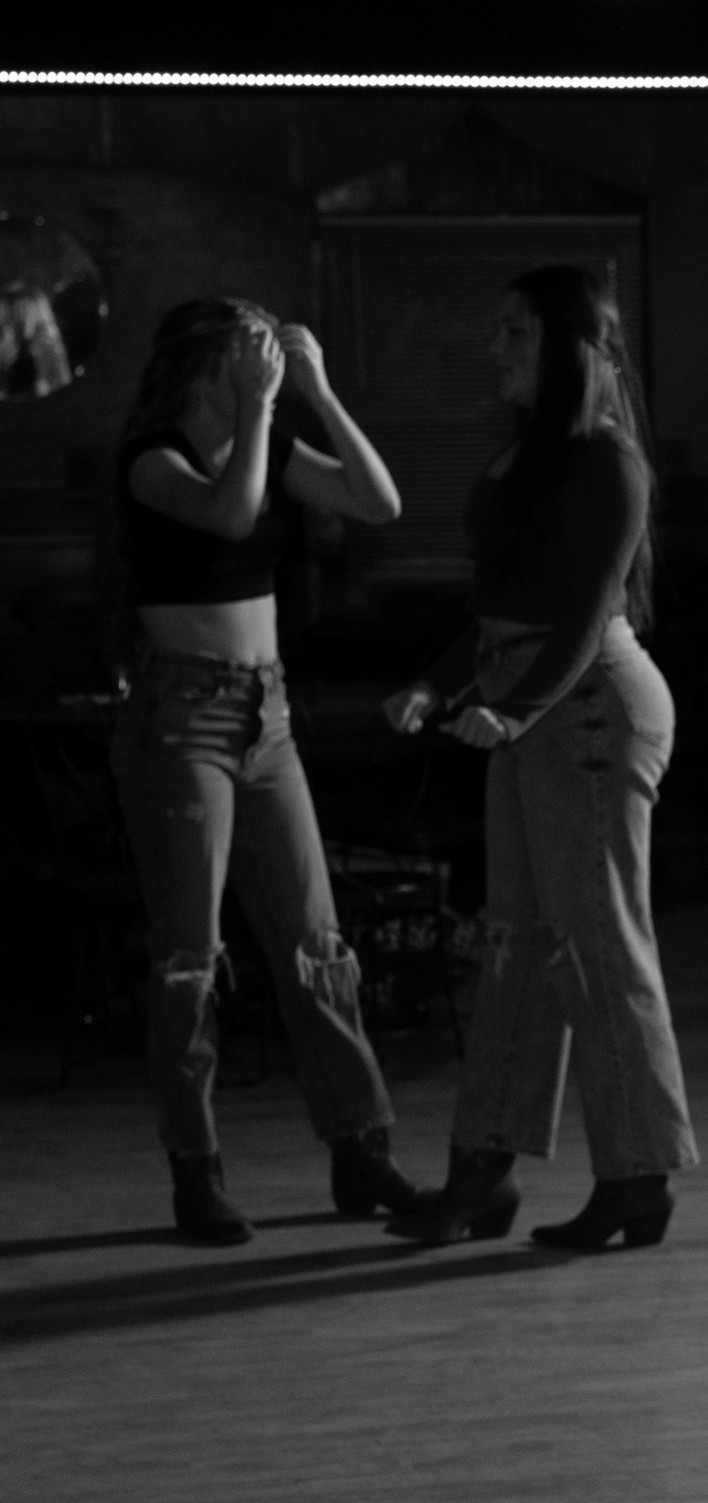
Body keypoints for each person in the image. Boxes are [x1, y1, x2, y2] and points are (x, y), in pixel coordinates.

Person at [382, 264, 696, 1250]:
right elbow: (501, 610)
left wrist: (512, 710)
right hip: (532, 703)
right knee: (517, 943)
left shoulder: (609, 461)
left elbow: (587, 614)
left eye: (516, 332)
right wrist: (438, 684)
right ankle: (483, 1170)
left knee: (596, 943)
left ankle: (637, 1177)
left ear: (571, 347)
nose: (497, 349)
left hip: (590, 707)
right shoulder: (531, 455)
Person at [111, 296, 419, 1244]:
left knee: (316, 941)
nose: (268, 365)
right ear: (208, 363)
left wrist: (317, 392)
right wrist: (256, 411)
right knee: (189, 959)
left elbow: (380, 502)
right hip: (182, 719)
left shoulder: (270, 441)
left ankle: (361, 1151)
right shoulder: (154, 457)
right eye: (251, 351)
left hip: (267, 715)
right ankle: (196, 1171)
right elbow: (230, 514)